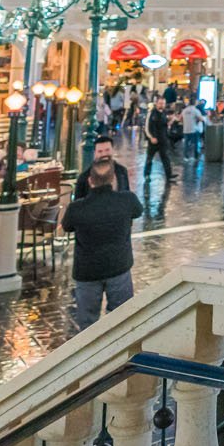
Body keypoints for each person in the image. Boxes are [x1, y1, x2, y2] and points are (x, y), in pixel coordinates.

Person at [64, 157, 144, 330]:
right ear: (113, 178)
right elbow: (138, 210)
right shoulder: (127, 200)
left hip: (87, 272)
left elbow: (66, 226)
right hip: (119, 267)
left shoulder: (77, 209)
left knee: (88, 324)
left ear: (90, 181)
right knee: (121, 320)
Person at [143, 98, 174, 183]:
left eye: (163, 104)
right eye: (160, 103)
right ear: (156, 103)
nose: (162, 105)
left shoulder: (163, 113)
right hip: (153, 141)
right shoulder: (151, 113)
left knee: (165, 158)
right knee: (149, 159)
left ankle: (169, 175)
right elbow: (146, 127)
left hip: (163, 140)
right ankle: (147, 175)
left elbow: (164, 125)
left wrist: (169, 123)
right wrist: (151, 137)